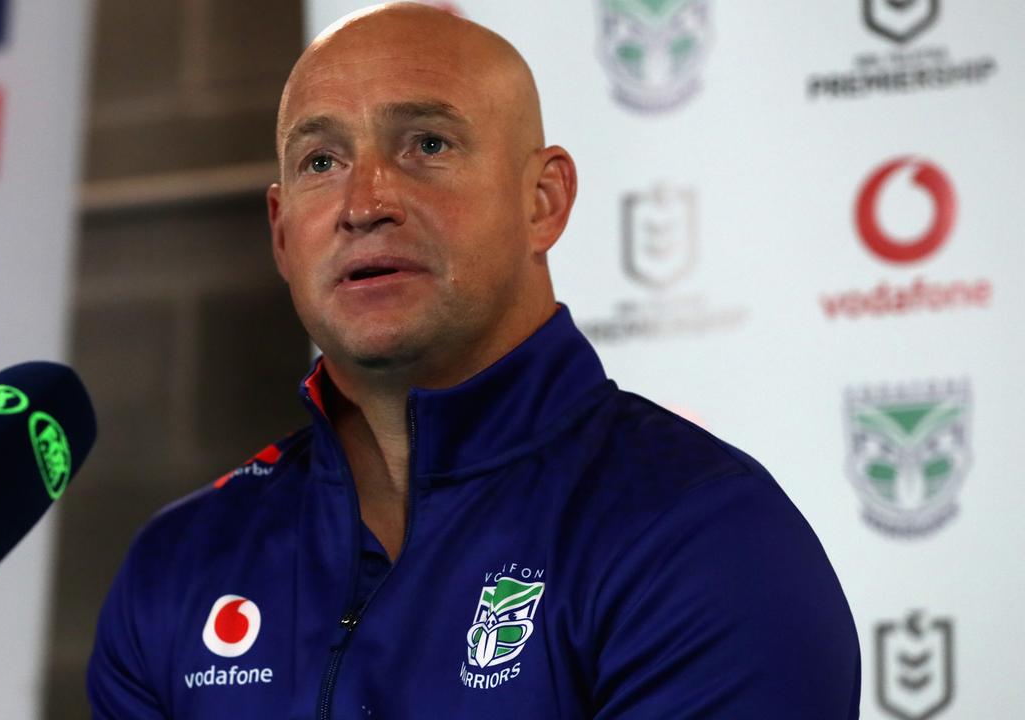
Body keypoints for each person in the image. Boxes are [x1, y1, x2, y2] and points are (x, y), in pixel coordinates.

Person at [88, 3, 861, 718]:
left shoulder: (702, 534)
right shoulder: (178, 566)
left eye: (427, 143)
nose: (365, 203)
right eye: (321, 161)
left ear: (544, 201)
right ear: (283, 231)